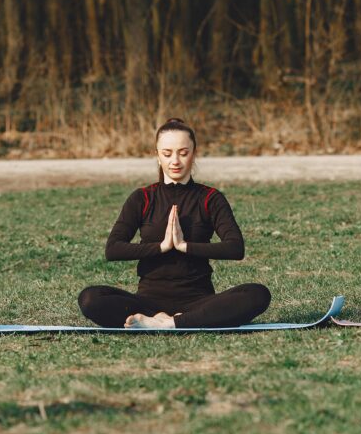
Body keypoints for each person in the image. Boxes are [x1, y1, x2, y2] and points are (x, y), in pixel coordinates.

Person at [78, 118, 271, 329]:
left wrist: (184, 246)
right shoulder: (142, 198)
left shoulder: (210, 198)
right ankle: (167, 320)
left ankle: (170, 323)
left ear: (194, 153)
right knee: (90, 298)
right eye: (167, 153)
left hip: (198, 302)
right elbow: (113, 249)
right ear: (158, 156)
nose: (175, 161)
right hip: (148, 303)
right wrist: (161, 247)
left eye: (183, 152)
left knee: (258, 294)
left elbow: (236, 247)